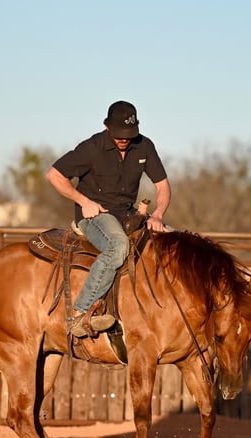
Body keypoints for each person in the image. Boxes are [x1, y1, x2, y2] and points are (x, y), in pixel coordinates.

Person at [46, 100, 172, 338]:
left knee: (176, 241)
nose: (124, 139)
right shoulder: (92, 148)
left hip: (129, 214)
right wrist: (83, 201)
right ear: (106, 127)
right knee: (118, 247)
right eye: (119, 134)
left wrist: (158, 214)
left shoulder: (144, 146)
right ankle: (80, 315)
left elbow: (163, 186)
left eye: (128, 134)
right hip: (96, 216)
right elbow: (54, 175)